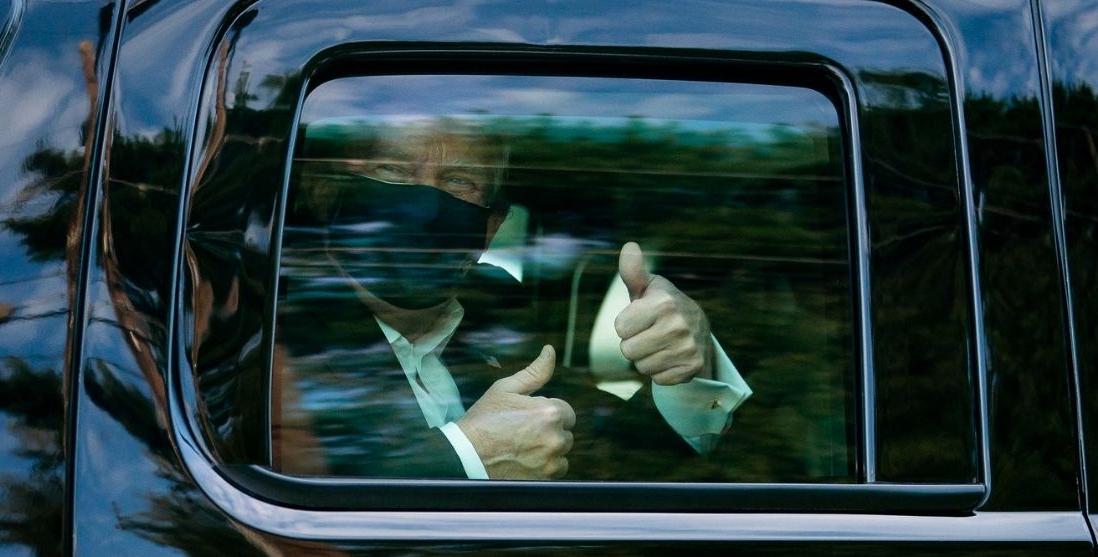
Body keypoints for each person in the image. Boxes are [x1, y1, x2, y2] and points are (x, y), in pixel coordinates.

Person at [272, 118, 751, 480]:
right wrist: (465, 458)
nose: (424, 204)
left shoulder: (511, 316)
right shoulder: (269, 324)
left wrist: (688, 370)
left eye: (459, 182)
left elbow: (635, 465)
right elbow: (279, 495)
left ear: (491, 226)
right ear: (324, 192)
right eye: (394, 171)